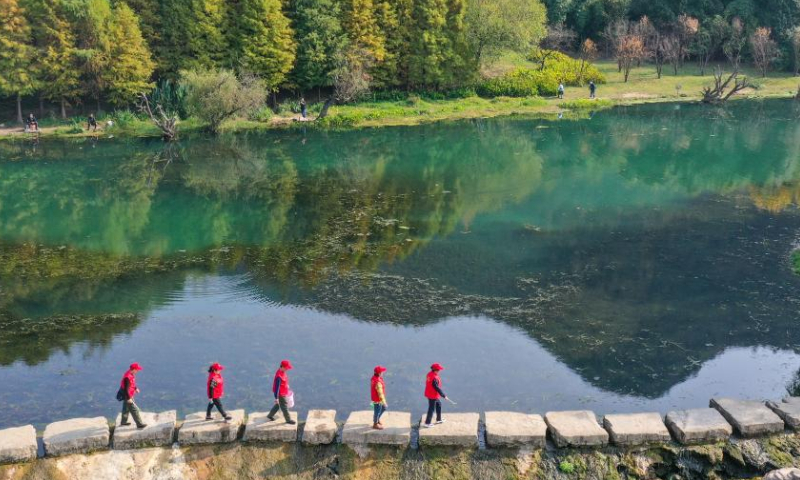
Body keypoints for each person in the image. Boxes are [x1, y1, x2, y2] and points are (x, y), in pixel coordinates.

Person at [118, 363, 147, 429]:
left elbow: (132, 383)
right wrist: (128, 399)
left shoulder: (130, 373)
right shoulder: (127, 377)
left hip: (129, 394)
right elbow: (126, 389)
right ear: (133, 369)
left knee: (126, 408)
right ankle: (139, 424)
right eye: (137, 369)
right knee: (134, 409)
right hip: (127, 395)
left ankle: (123, 422)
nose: (138, 371)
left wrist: (135, 388)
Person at [267, 360, 296, 424]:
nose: (287, 369)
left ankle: (270, 415)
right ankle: (288, 420)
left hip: (284, 391)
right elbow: (277, 388)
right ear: (282, 367)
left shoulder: (282, 371)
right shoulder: (278, 377)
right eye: (286, 368)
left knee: (278, 405)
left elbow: (283, 381)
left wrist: (286, 385)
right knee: (284, 406)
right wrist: (276, 398)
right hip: (280, 394)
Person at [423, 363, 447, 428]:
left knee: (439, 404)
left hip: (430, 393)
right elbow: (437, 387)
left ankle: (438, 419)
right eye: (438, 370)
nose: (439, 371)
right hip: (432, 395)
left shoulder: (429, 374)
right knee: (431, 408)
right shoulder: (434, 378)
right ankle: (427, 423)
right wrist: (443, 395)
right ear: (435, 370)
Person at [371, 366, 388, 430]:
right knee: (378, 411)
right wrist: (384, 402)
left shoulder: (374, 378)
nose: (383, 373)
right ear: (379, 373)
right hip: (378, 400)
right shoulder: (378, 382)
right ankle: (375, 424)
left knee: (381, 409)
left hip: (376, 399)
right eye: (382, 372)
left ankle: (377, 419)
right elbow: (380, 394)